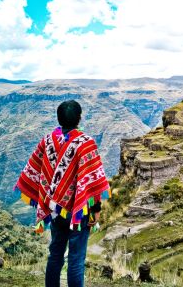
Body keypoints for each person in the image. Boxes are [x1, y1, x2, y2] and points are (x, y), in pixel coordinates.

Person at [15, 100, 110, 287]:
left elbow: (34, 169)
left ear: (59, 119)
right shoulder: (86, 143)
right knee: (76, 258)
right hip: (78, 212)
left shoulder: (48, 140)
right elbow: (92, 180)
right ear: (79, 118)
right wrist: (96, 209)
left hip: (55, 209)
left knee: (56, 254)